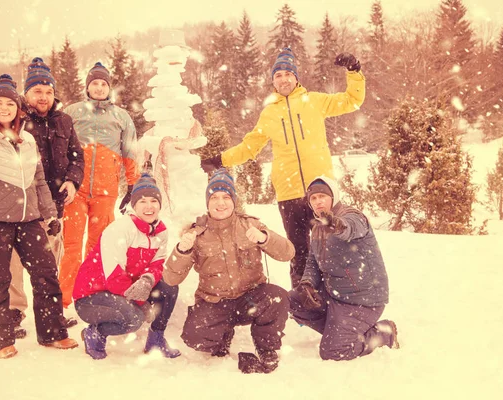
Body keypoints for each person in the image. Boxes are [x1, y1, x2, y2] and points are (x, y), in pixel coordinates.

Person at [200, 47, 366, 288]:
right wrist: (220, 160)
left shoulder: (315, 101)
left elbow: (353, 100)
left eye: (288, 73)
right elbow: (249, 147)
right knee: (297, 252)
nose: (284, 78)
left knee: (331, 247)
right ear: (273, 82)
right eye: (278, 75)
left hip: (319, 191)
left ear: (296, 77)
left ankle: (337, 294)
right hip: (288, 193)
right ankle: (302, 299)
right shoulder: (269, 114)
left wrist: (354, 71)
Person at [0, 74, 79, 359]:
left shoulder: (27, 141)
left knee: (46, 273)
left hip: (28, 220)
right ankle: (1, 339)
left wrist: (49, 216)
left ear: (17, 108)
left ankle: (53, 333)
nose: (4, 108)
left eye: (9, 103)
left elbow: (39, 183)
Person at [163, 169, 295, 374]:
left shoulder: (250, 224)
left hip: (250, 298)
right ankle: (222, 338)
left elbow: (288, 252)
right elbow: (171, 279)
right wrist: (182, 251)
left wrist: (264, 238)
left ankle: (266, 345)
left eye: (226, 197)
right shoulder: (196, 233)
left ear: (233, 200)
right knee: (193, 335)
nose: (220, 202)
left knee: (277, 298)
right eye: (214, 197)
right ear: (207, 202)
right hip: (215, 302)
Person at [8, 57, 85, 336]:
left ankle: (52, 315)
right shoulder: (15, 119)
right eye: (37, 91)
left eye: (48, 91)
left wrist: (73, 182)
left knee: (51, 264)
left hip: (54, 206)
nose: (44, 97)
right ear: (26, 93)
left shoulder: (64, 120)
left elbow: (77, 156)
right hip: (21, 207)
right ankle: (13, 314)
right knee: (13, 264)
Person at [289, 176, 399, 361]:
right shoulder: (317, 229)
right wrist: (307, 284)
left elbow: (351, 227)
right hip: (335, 295)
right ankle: (340, 332)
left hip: (362, 299)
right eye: (313, 198)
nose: (318, 201)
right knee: (294, 300)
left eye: (323, 196)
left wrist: (338, 225)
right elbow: (313, 263)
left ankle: (384, 333)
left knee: (333, 352)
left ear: (333, 196)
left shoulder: (352, 216)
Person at [73, 172, 180, 360]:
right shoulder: (120, 229)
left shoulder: (161, 232)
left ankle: (156, 340)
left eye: (153, 201)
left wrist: (147, 280)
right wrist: (142, 303)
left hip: (122, 291)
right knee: (134, 318)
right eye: (142, 201)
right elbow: (114, 277)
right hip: (92, 297)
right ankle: (95, 333)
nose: (149, 206)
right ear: (134, 205)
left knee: (169, 286)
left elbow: (158, 264)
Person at [60, 62, 140, 309]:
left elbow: (130, 152)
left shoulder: (121, 117)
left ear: (109, 88)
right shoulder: (72, 112)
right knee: (71, 245)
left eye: (103, 84)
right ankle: (63, 299)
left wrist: (134, 186)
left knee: (97, 247)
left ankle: (89, 295)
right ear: (87, 87)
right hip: (75, 190)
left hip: (106, 192)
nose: (98, 87)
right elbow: (60, 148)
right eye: (94, 83)